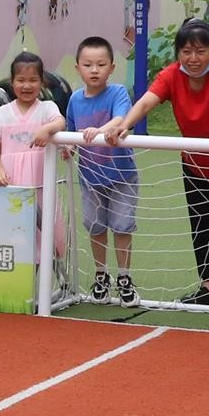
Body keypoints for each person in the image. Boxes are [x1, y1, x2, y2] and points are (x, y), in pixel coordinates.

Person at [105, 17, 209, 304]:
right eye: (186, 51)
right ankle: (208, 289)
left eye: (200, 51)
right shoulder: (172, 74)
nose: (193, 58)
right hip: (196, 162)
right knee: (203, 224)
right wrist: (124, 124)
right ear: (178, 53)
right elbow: (146, 101)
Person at [58, 38, 137, 300]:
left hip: (122, 175)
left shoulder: (117, 92)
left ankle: (124, 277)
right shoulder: (75, 99)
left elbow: (120, 119)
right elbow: (71, 132)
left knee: (122, 225)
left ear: (111, 67)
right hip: (90, 177)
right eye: (88, 64)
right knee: (95, 226)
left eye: (101, 64)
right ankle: (101, 275)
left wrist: (99, 131)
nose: (94, 70)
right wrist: (69, 148)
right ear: (77, 67)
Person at [0, 51, 60, 189]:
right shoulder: (3, 112)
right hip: (7, 179)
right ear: (12, 82)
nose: (27, 86)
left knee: (40, 204)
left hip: (39, 178)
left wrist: (46, 129)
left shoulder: (47, 108)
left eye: (33, 80)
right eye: (21, 80)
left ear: (42, 82)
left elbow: (60, 122)